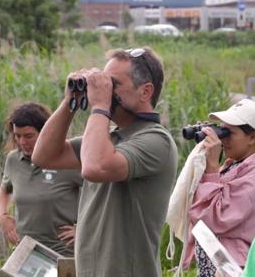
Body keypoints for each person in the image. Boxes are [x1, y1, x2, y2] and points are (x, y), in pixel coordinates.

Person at [32, 47, 178, 277]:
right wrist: (70, 102)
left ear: (145, 91)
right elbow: (43, 157)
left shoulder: (156, 141)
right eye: (103, 84)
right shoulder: (109, 138)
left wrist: (100, 107)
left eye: (113, 84)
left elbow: (95, 167)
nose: (104, 90)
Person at [0, 102, 83, 256]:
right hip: (25, 251)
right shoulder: (13, 160)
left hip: (62, 252)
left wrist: (84, 229)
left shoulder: (67, 159)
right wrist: (2, 216)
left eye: (29, 136)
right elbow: (4, 190)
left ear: (45, 132)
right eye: (17, 135)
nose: (22, 142)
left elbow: (101, 194)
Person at [183, 98, 255, 276]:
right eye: (221, 130)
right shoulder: (235, 165)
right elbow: (199, 202)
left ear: (252, 137)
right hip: (215, 266)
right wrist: (203, 158)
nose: (222, 138)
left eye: (227, 133)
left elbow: (215, 218)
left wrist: (212, 167)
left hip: (232, 267)